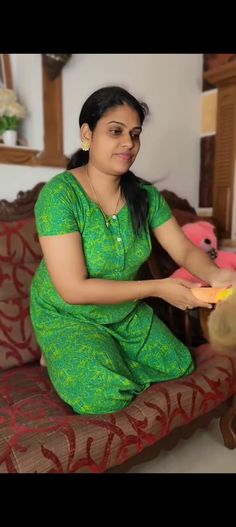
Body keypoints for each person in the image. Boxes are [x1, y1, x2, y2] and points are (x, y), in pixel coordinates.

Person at [30, 85, 236, 415]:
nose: (129, 143)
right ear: (88, 134)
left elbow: (183, 250)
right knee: (103, 394)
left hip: (123, 311)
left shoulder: (144, 196)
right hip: (68, 314)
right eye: (116, 131)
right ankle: (58, 348)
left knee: (179, 364)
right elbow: (72, 289)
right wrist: (158, 289)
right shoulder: (60, 196)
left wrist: (216, 274)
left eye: (135, 134)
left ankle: (103, 355)